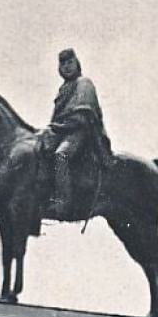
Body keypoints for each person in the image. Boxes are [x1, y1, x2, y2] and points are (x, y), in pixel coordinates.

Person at [43, 48, 112, 214]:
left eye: (70, 62)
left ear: (77, 63)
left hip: (83, 131)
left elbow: (84, 114)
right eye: (63, 64)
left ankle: (63, 200)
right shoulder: (64, 89)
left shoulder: (84, 83)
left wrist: (61, 126)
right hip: (64, 132)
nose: (67, 66)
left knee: (61, 155)